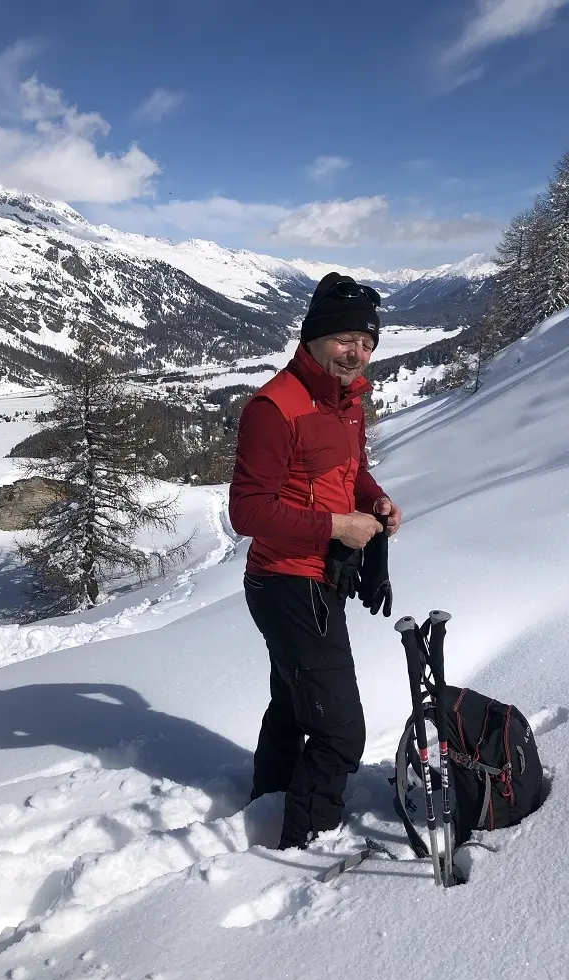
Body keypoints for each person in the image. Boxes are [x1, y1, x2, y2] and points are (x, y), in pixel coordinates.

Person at [229, 273, 402, 850]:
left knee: (293, 702)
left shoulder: (347, 402)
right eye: (345, 338)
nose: (358, 352)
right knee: (339, 732)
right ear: (313, 339)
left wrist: (372, 501)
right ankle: (309, 841)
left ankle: (268, 800)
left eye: (368, 340)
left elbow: (346, 474)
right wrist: (337, 525)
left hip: (320, 578)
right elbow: (248, 512)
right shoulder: (274, 408)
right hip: (286, 584)